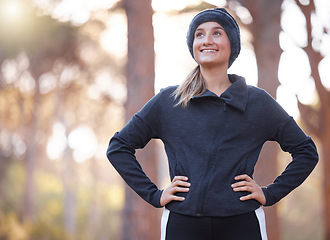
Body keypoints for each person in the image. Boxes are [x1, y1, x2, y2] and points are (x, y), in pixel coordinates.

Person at [106, 8, 318, 240]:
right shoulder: (169, 101)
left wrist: (270, 193)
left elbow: (306, 152)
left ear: (232, 44)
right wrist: (154, 195)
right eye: (199, 34)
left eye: (217, 33)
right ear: (193, 45)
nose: (207, 40)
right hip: (183, 224)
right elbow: (119, 147)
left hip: (242, 224)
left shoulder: (257, 102)